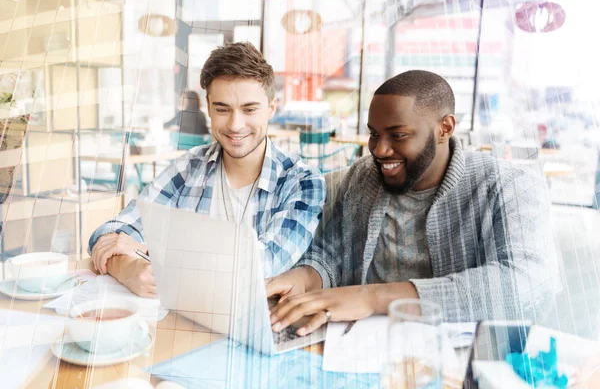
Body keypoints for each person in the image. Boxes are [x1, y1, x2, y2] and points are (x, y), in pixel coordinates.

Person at [267, 70, 558, 336]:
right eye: (374, 134)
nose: (379, 150)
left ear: (444, 128)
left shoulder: (509, 185)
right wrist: (304, 276)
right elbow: (332, 254)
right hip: (360, 347)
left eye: (398, 135)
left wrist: (373, 297)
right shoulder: (363, 177)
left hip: (460, 361)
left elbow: (527, 284)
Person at [89, 42, 326, 297]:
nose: (236, 125)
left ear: (271, 107)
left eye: (249, 109)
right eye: (222, 109)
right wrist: (128, 268)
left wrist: (149, 252)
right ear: (209, 107)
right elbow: (109, 235)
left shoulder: (302, 181)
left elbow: (263, 265)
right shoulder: (189, 167)